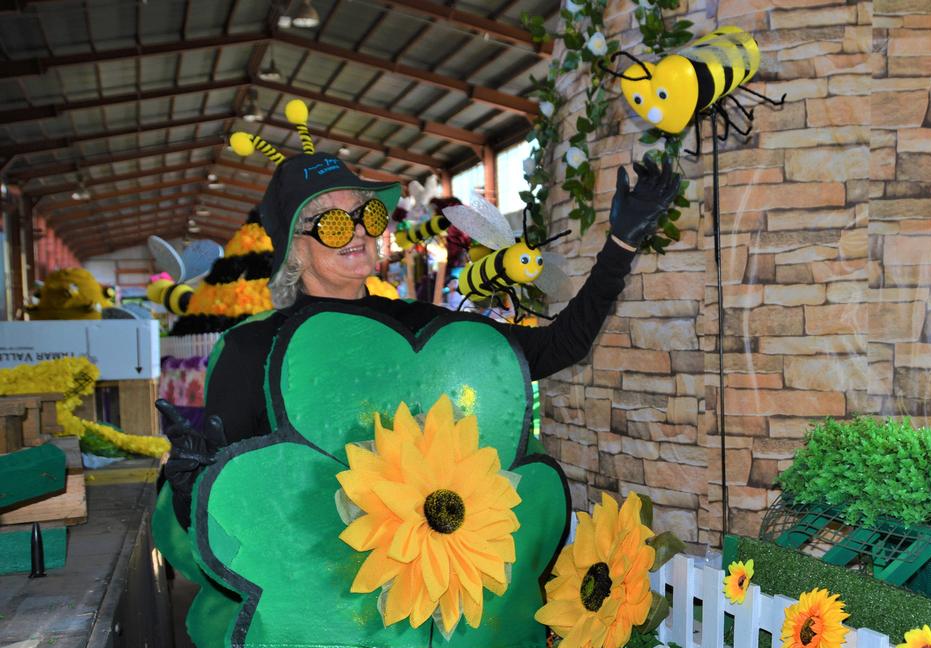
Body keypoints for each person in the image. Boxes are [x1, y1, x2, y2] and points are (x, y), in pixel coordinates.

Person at [157, 152, 680, 529]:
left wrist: (620, 246)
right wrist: (193, 485)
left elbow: (556, 348)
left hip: (426, 598)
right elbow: (222, 518)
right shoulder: (254, 351)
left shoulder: (419, 328)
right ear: (293, 248)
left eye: (366, 214)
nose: (360, 232)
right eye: (334, 223)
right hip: (314, 629)